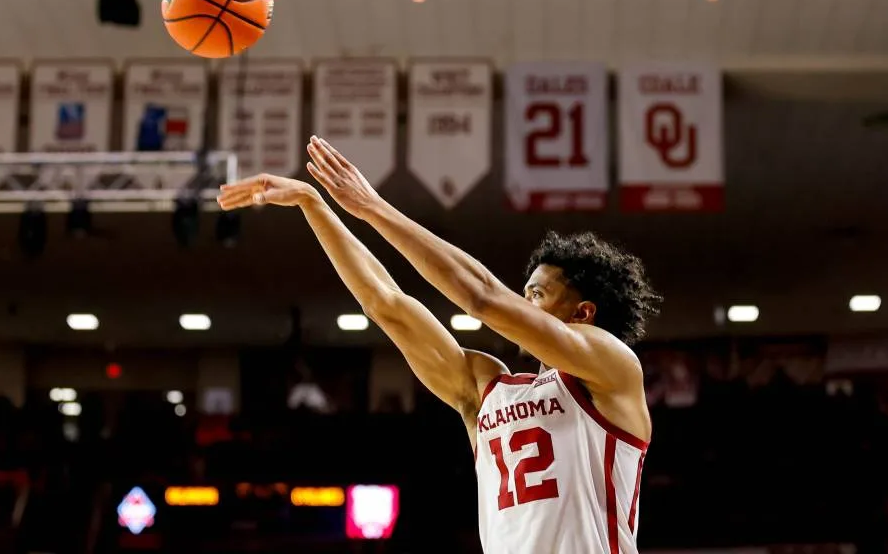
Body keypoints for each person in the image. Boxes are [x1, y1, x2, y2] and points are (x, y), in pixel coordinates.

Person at [218, 136, 662, 554]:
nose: (522, 304)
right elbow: (387, 304)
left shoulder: (613, 369)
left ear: (583, 313)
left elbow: (482, 297)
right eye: (523, 293)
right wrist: (313, 205)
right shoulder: (487, 387)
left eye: (536, 295)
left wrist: (372, 208)